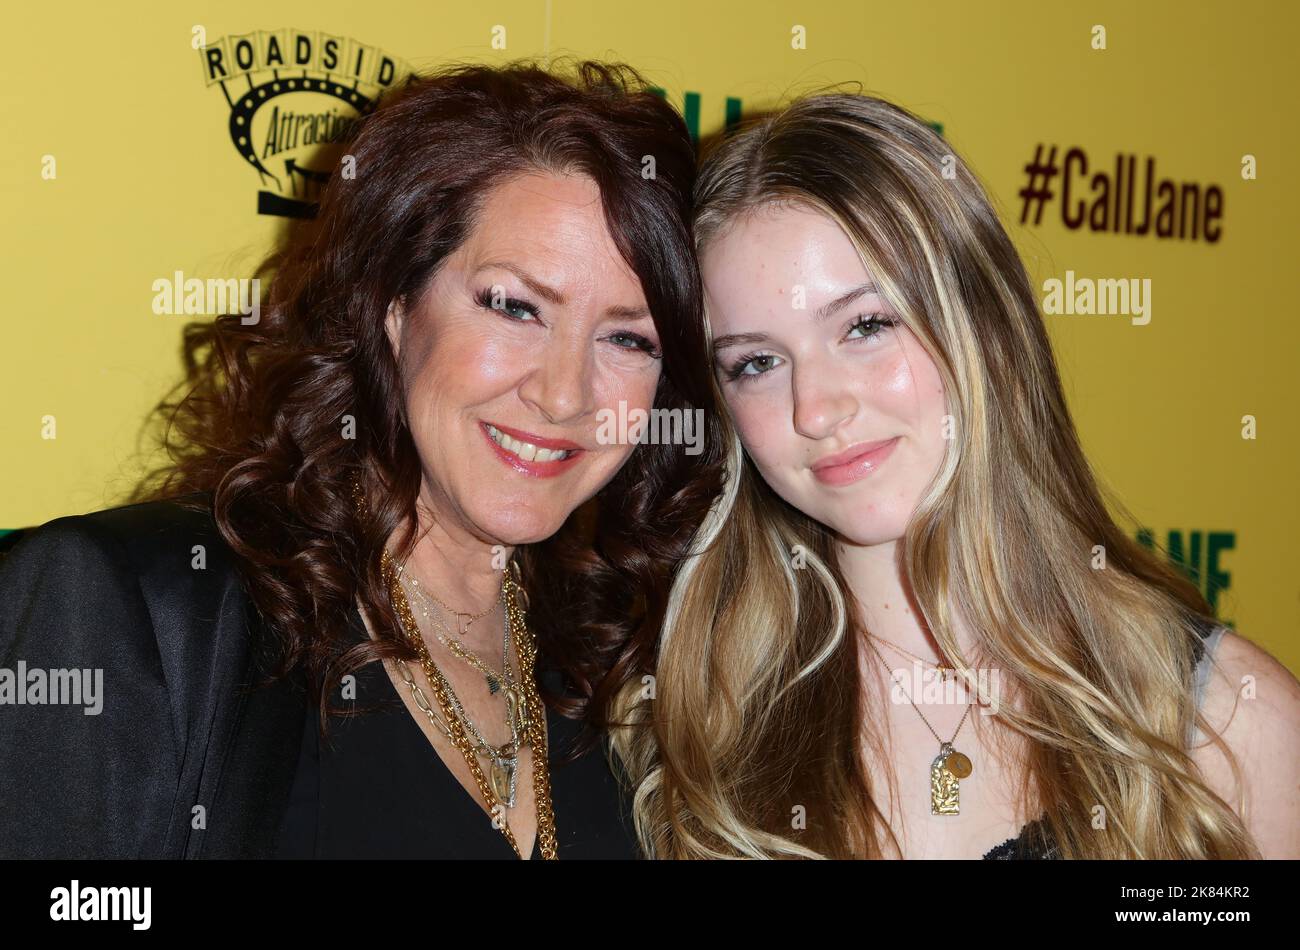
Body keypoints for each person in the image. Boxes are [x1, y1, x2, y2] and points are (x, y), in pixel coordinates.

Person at [0, 59, 723, 859]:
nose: (564, 394)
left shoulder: (626, 670)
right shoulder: (139, 609)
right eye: (515, 307)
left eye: (628, 338)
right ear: (392, 305)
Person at [610, 92, 1300, 859]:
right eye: (758, 363)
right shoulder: (676, 727)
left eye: (865, 326)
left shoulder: (1225, 723)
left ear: (984, 325)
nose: (817, 408)